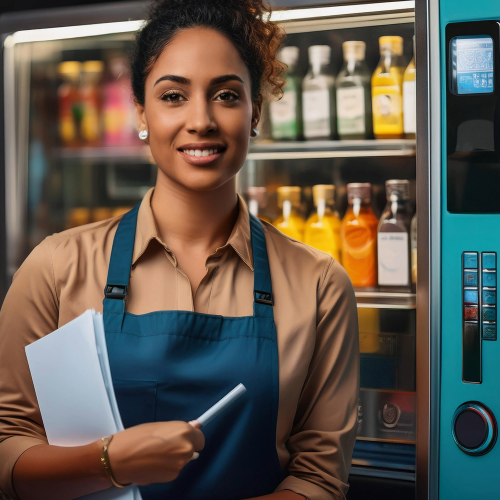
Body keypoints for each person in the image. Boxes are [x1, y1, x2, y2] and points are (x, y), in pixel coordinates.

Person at [0, 0, 360, 499]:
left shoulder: (319, 284)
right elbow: (7, 448)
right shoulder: (56, 268)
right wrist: (108, 461)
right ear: (141, 112)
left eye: (227, 96)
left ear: (255, 111)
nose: (201, 120)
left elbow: (320, 478)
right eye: (173, 95)